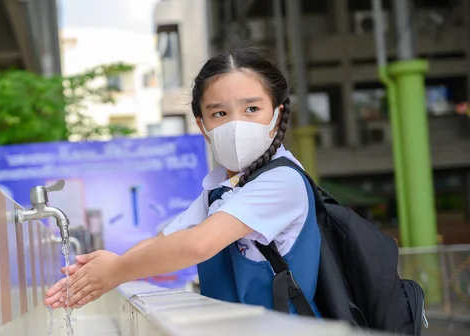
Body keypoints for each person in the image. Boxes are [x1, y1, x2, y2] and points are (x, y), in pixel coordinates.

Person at [45, 47, 321, 317]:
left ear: (276, 115)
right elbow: (163, 241)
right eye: (219, 114)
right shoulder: (221, 190)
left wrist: (116, 271)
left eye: (251, 109)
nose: (236, 124)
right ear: (203, 126)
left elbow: (197, 244)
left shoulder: (281, 181)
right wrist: (105, 271)